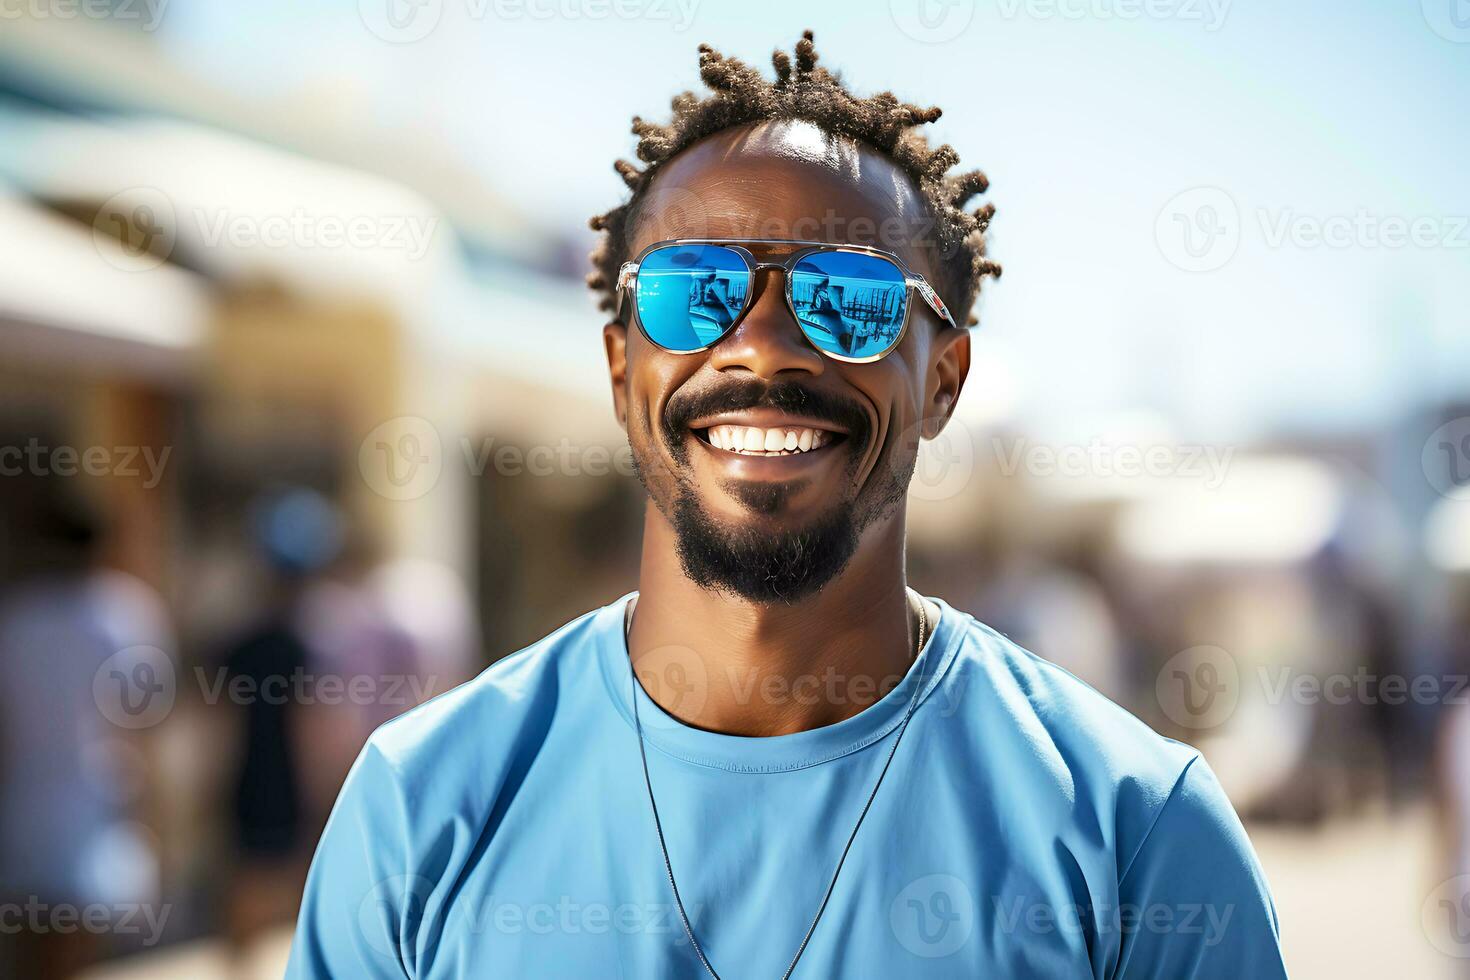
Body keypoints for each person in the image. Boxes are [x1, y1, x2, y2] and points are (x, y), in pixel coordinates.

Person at [288, 32, 1286, 977]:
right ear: (621, 362)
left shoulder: (1137, 834)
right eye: (694, 287)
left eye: (850, 297)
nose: (762, 341)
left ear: (942, 379)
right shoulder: (421, 808)